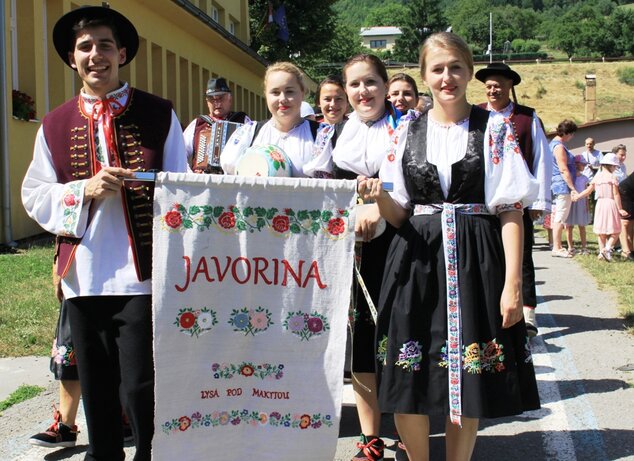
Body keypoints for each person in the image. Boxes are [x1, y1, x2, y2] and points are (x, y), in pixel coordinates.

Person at [358, 32, 540, 461]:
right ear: (424, 76)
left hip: (475, 260)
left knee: (466, 371)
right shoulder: (406, 130)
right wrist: (376, 197)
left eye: (456, 67)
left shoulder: (493, 128)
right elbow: (400, 212)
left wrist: (513, 283)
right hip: (414, 260)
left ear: (469, 72)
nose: (447, 77)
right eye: (437, 69)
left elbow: (510, 211)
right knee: (408, 375)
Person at [21, 6, 188, 460]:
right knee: (96, 384)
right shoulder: (54, 124)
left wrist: (147, 186)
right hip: (85, 274)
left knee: (140, 383)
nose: (96, 54)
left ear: (123, 53)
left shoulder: (158, 112)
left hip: (143, 273)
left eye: (105, 45)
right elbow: (35, 195)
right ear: (73, 59)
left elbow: (185, 187)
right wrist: (84, 191)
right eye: (85, 47)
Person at [322, 54, 401, 461]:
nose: (362, 91)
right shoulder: (337, 135)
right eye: (354, 84)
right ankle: (372, 438)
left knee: (405, 338)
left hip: (402, 247)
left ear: (386, 86)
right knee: (363, 343)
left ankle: (409, 424)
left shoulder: (408, 129)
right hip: (352, 249)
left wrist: (380, 204)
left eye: (370, 82)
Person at [475, 61, 552, 337]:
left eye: (498, 85)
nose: (492, 90)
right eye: (488, 86)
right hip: (482, 200)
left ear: (510, 87)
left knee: (522, 257)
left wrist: (539, 202)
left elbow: (542, 159)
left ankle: (527, 311)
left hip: (518, 202)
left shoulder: (527, 118)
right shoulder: (475, 116)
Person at [220, 62, 333, 178]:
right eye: (275, 92)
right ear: (266, 95)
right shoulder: (249, 133)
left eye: (289, 91)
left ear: (302, 93)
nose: (282, 99)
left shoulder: (321, 136)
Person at [182, 77, 250, 173]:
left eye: (221, 98)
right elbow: (180, 151)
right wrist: (190, 174)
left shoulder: (243, 121)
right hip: (202, 182)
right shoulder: (197, 123)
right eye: (211, 99)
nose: (217, 103)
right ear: (207, 102)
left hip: (232, 182)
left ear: (229, 99)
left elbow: (254, 150)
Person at [575, 153, 628, 261]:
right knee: (616, 230)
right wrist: (620, 209)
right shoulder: (612, 177)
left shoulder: (597, 177)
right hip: (610, 203)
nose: (615, 168)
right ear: (610, 166)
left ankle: (601, 252)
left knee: (601, 230)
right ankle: (607, 249)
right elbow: (616, 194)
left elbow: (588, 191)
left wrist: (578, 196)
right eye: (615, 166)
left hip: (600, 204)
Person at [550, 119, 579, 258]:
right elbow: (563, 169)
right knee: (560, 216)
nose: (572, 137)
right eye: (572, 134)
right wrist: (572, 188)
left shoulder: (555, 144)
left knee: (559, 215)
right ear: (568, 133)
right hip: (562, 185)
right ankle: (556, 247)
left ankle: (558, 245)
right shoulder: (559, 147)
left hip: (559, 184)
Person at [564, 155, 591, 255]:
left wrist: (587, 206)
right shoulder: (570, 177)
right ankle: (570, 247)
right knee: (569, 226)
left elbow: (587, 193)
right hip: (571, 202)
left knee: (582, 225)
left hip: (581, 203)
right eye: (583, 164)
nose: (584, 166)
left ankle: (584, 247)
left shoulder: (585, 178)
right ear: (576, 164)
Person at [618, 171, 634, 260]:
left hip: (631, 193)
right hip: (625, 191)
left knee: (631, 221)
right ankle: (625, 251)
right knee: (625, 222)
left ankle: (631, 249)